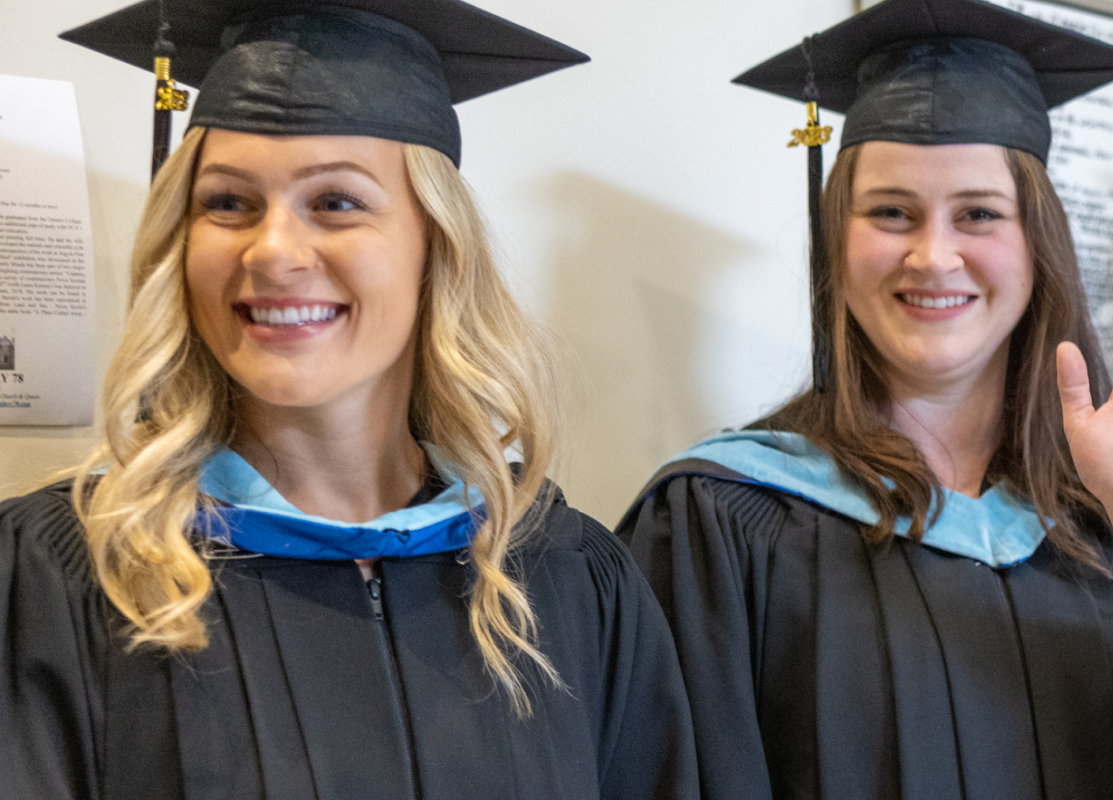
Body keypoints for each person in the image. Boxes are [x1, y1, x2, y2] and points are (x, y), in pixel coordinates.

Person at [615, 2, 1113, 797]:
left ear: (1037, 246)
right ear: (837, 236)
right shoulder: (720, 521)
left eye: (978, 214)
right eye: (890, 212)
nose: (933, 256)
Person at [6, 1, 698, 797]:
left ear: (435, 249)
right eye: (227, 203)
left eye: (336, 202)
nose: (271, 251)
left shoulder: (565, 578)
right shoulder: (62, 577)